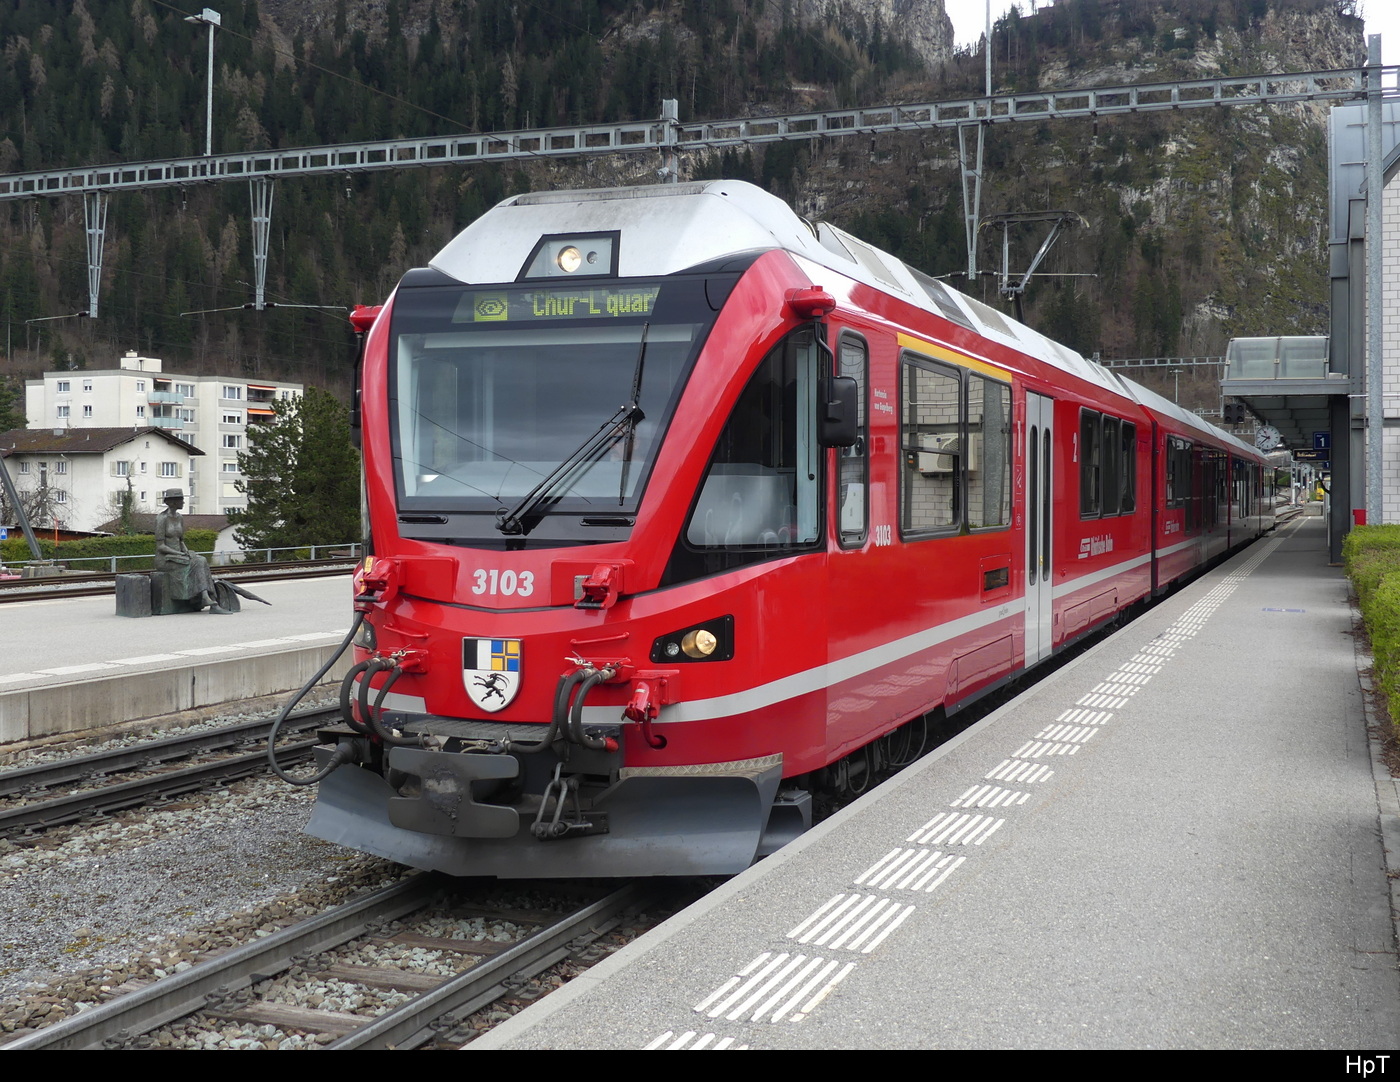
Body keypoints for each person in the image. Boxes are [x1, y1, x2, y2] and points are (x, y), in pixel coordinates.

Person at [154, 489, 226, 613]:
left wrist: (186, 551)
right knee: (197, 562)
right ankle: (204, 597)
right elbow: (161, 546)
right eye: (181, 499)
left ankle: (207, 597)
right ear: (172, 502)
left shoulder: (180, 518)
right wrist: (180, 554)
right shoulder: (162, 519)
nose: (183, 502)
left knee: (201, 559)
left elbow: (181, 541)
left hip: (180, 556)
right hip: (165, 559)